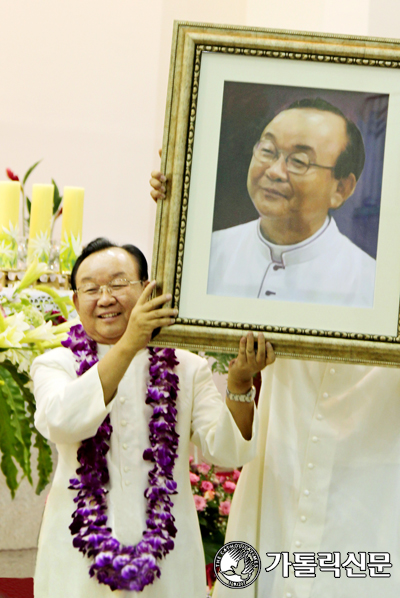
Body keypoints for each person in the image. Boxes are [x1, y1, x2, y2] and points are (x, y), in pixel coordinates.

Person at [151, 165, 400, 598]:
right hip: (280, 460)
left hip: (373, 480)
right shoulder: (273, 261)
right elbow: (195, 275)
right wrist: (179, 198)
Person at [31, 237, 275, 598]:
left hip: (168, 561)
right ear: (75, 302)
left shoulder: (187, 367)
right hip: (77, 560)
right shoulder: (56, 364)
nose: (105, 298)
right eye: (91, 289)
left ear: (147, 289)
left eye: (117, 284)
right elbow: (63, 421)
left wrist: (239, 383)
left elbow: (227, 453)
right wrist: (131, 342)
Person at [207, 97, 376, 307]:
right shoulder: (210, 252)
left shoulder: (371, 286)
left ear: (340, 189)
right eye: (267, 151)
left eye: (299, 161)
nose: (274, 171)